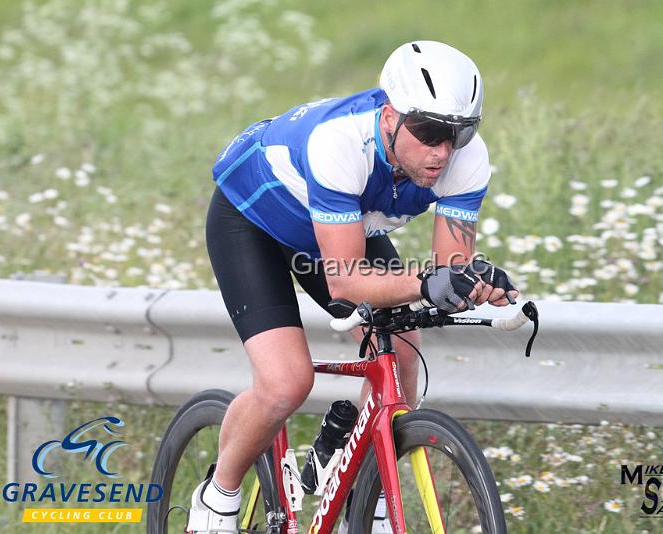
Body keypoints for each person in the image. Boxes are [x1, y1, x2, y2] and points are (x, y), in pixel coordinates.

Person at [187, 40, 519, 533]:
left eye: (459, 134)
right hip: (252, 219)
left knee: (404, 354)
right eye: (428, 132)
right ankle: (218, 498)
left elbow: (447, 270)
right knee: (286, 383)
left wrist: (474, 282)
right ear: (390, 117)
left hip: (342, 227)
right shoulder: (340, 141)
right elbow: (346, 279)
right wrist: (434, 282)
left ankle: (364, 493)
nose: (442, 151)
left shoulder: (465, 160)